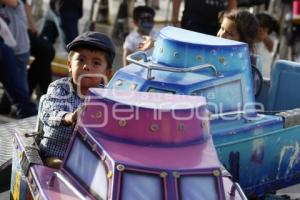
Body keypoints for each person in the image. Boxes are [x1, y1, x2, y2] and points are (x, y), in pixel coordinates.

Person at [39, 31, 115, 168]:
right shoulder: (60, 88)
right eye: (81, 60)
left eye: (96, 63)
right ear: (69, 65)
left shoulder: (107, 96)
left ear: (107, 73)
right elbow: (49, 113)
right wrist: (70, 117)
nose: (87, 66)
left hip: (90, 157)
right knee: (59, 165)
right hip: (56, 153)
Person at [0, 0, 37, 118]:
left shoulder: (16, 3)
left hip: (20, 51)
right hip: (10, 49)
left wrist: (33, 27)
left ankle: (26, 114)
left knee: (19, 88)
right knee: (17, 88)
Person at [23, 0, 56, 96]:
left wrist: (32, 27)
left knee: (46, 51)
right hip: (9, 31)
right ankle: (50, 97)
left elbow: (25, 6)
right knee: (46, 51)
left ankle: (24, 96)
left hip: (19, 29)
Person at [172, 0, 237, 35]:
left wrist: (233, 25)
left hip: (218, 25)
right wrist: (175, 19)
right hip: (194, 21)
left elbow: (232, 2)